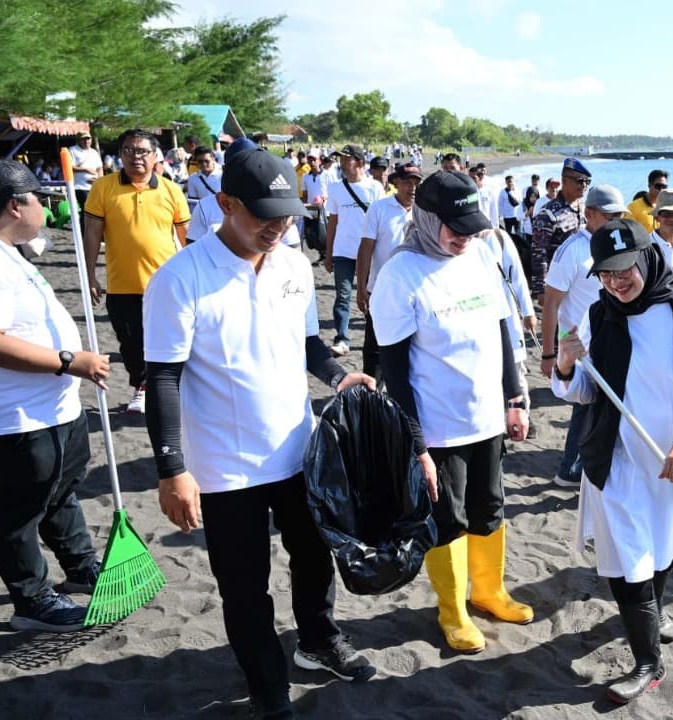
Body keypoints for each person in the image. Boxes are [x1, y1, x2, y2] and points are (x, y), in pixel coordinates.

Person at [143, 150, 412, 719]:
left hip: (298, 449)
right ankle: (269, 690)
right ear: (225, 204)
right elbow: (163, 378)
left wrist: (340, 377)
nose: (278, 226)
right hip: (223, 465)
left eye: (287, 215)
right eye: (264, 215)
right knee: (245, 588)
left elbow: (307, 342)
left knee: (315, 559)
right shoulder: (181, 277)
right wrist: (172, 469)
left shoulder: (291, 263)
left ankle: (318, 643)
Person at [552, 218, 673, 704]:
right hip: (617, 459)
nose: (615, 281)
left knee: (661, 547)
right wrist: (566, 367)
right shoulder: (599, 314)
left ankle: (653, 611)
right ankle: (648, 663)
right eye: (605, 273)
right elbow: (584, 391)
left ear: (648, 258)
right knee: (627, 563)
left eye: (624, 268)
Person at [371, 170, 533, 655]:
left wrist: (514, 398)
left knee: (490, 508)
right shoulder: (400, 274)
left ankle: (489, 592)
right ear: (424, 217)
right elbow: (394, 372)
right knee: (449, 519)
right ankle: (454, 611)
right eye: (453, 227)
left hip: (487, 416)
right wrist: (415, 442)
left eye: (471, 226)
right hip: (439, 426)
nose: (463, 237)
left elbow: (502, 330)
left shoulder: (482, 253)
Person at [0, 160, 109, 633]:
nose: (46, 208)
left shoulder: (11, 251)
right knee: (22, 508)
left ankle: (81, 568)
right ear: (16, 205)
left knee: (60, 493)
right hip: (18, 416)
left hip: (56, 409)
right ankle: (32, 598)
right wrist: (67, 361)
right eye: (40, 200)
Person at [82, 128, 190, 414]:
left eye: (142, 151)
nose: (135, 157)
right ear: (120, 155)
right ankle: (140, 387)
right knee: (130, 342)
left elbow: (186, 236)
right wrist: (89, 273)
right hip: (121, 283)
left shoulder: (171, 189)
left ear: (156, 157)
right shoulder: (103, 187)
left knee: (168, 340)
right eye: (128, 150)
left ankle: (165, 388)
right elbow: (92, 232)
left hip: (165, 283)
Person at [540, 184, 626, 488]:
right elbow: (551, 302)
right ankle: (568, 469)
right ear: (590, 214)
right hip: (579, 344)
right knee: (583, 405)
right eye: (610, 215)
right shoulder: (573, 249)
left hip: (608, 338)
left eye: (620, 215)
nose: (617, 221)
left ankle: (583, 466)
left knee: (597, 406)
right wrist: (549, 352)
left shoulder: (615, 243)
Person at [356, 162, 423, 380]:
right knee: (375, 348)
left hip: (415, 293)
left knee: (411, 348)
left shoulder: (423, 213)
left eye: (415, 183)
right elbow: (366, 249)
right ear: (395, 183)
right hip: (380, 290)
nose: (411, 188)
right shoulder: (379, 208)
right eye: (406, 182)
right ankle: (371, 396)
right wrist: (361, 287)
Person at [324, 145, 384, 357]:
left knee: (369, 295)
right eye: (340, 160)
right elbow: (333, 222)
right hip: (343, 251)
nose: (341, 164)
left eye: (346, 160)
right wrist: (328, 253)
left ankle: (377, 335)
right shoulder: (335, 188)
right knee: (342, 295)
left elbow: (380, 221)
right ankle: (342, 338)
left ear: (359, 162)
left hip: (368, 253)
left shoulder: (375, 187)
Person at [531, 158, 590, 301]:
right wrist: (541, 288)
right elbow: (539, 252)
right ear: (565, 181)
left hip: (580, 281)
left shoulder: (583, 209)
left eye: (587, 182)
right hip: (557, 283)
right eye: (580, 181)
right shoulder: (549, 214)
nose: (584, 186)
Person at [68, 131, 103, 222]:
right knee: (87, 208)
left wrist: (99, 180)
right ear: (79, 140)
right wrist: (86, 170)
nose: (86, 141)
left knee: (96, 209)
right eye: (84, 139)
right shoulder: (72, 150)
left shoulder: (94, 152)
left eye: (88, 138)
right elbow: (69, 167)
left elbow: (99, 168)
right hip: (80, 186)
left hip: (94, 186)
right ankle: (84, 231)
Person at [626, 169, 669, 234]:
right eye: (658, 186)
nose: (661, 190)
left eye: (664, 187)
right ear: (649, 185)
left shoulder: (668, 207)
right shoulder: (633, 207)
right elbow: (628, 232)